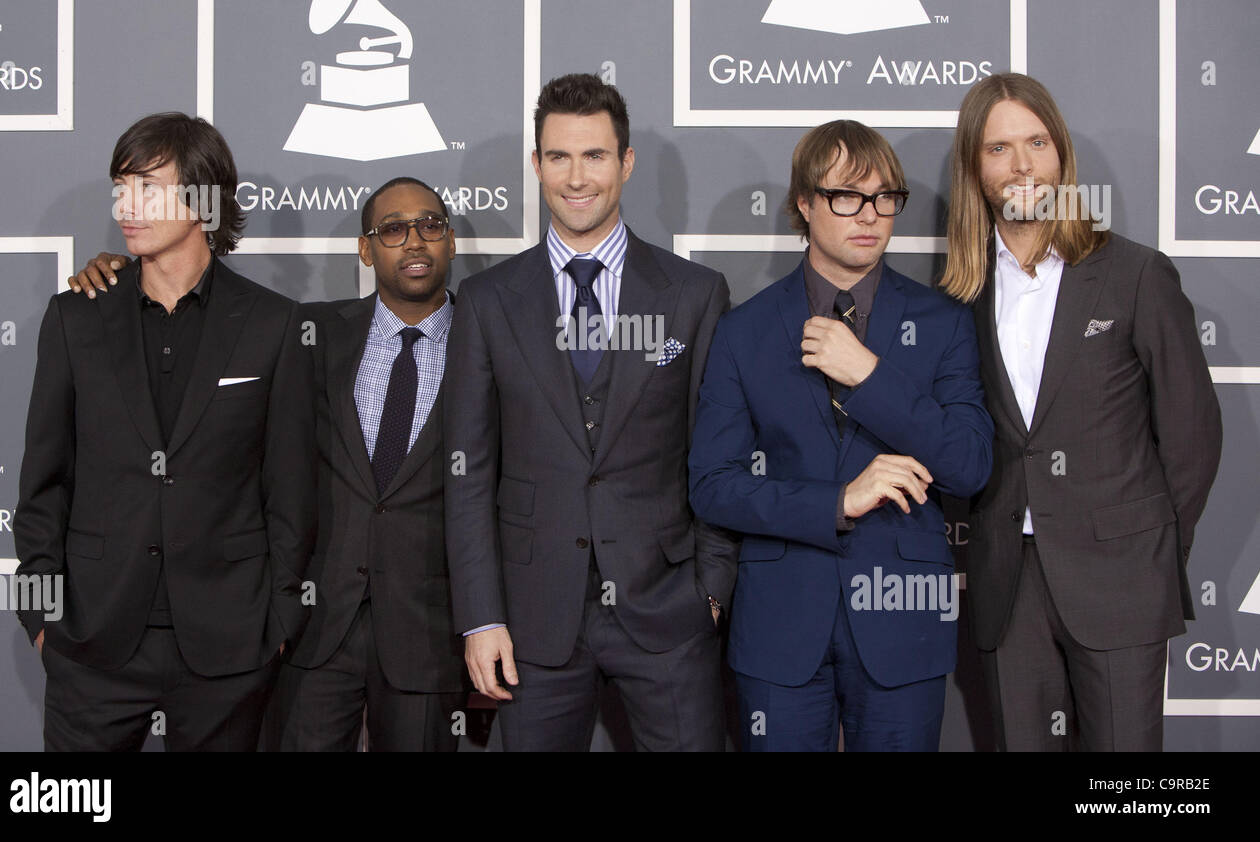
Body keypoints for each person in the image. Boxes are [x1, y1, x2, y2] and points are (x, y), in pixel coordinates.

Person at [68, 177, 471, 751]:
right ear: (365, 248)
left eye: (430, 226)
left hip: (431, 636)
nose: (414, 242)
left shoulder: (492, 342)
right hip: (313, 628)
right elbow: (190, 314)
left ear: (451, 242)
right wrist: (119, 271)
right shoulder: (305, 331)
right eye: (392, 229)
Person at [443, 73, 737, 751]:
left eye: (595, 156)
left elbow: (717, 454)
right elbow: (467, 475)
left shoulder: (693, 294)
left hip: (667, 610)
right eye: (559, 157)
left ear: (626, 163)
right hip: (530, 617)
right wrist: (481, 617)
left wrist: (711, 591)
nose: (577, 178)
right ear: (538, 164)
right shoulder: (488, 302)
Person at [688, 120, 993, 751]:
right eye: (846, 196)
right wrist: (837, 502)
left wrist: (872, 376)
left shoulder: (942, 320)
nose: (871, 215)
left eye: (886, 198)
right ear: (804, 202)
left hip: (904, 620)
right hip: (779, 622)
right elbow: (714, 486)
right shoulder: (744, 330)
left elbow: (969, 464)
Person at [16, 112, 316, 751]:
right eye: (120, 186)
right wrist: (43, 618)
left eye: (148, 186)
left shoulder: (274, 325)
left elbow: (289, 490)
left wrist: (279, 618)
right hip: (92, 642)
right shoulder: (75, 317)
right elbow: (44, 479)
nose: (127, 204)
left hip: (228, 646)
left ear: (204, 196)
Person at [942, 73, 1222, 751]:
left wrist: (1146, 547)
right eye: (999, 148)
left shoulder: (1135, 275)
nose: (1022, 164)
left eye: (1036, 141)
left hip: (1122, 576)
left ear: (1061, 154)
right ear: (975, 171)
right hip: (1008, 585)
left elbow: (1192, 437)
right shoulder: (957, 298)